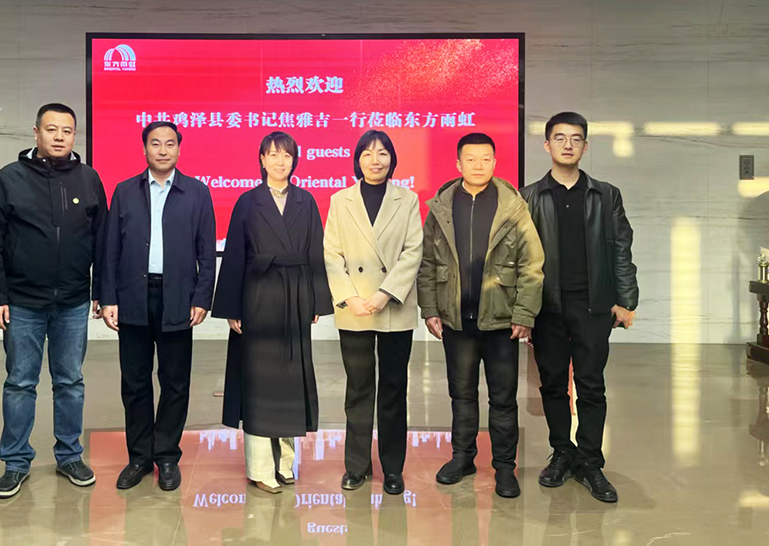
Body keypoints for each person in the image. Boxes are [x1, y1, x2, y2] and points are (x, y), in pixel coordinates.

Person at [0, 103, 108, 499]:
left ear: (74, 136)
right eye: (51, 129)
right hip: (22, 302)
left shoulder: (88, 179)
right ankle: (16, 462)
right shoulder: (9, 179)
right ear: (36, 133)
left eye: (66, 131)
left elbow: (103, 243)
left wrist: (101, 292)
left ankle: (70, 455)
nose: (59, 137)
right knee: (20, 383)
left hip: (72, 301)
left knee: (70, 382)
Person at [417, 132, 544, 499]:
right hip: (456, 319)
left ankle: (504, 467)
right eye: (470, 159)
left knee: (503, 398)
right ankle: (462, 458)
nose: (478, 165)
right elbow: (428, 263)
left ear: (495, 162)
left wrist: (524, 313)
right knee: (461, 395)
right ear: (458, 163)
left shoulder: (512, 207)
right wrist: (430, 308)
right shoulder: (442, 206)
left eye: (485, 159)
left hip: (502, 321)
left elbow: (532, 264)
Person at [520, 112, 638, 503]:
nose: (567, 145)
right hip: (547, 307)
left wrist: (626, 300)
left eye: (575, 139)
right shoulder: (528, 197)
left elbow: (621, 249)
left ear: (585, 146)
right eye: (560, 138)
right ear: (547, 145)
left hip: (594, 305)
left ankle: (589, 460)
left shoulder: (606, 195)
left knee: (591, 385)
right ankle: (562, 452)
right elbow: (518, 259)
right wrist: (522, 312)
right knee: (552, 384)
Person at [212, 131, 333, 494]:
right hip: (258, 296)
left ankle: (285, 463)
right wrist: (232, 306)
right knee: (260, 381)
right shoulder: (247, 201)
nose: (281, 162)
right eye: (273, 155)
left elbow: (315, 252)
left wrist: (316, 300)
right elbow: (235, 255)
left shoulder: (306, 201)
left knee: (290, 379)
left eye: (287, 155)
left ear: (295, 160)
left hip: (295, 296)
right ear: (262, 159)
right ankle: (261, 467)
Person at [100, 121, 216, 491]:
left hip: (178, 297)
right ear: (144, 149)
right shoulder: (125, 191)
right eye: (155, 143)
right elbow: (110, 250)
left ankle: (166, 456)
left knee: (175, 382)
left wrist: (202, 297)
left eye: (169, 144)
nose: (163, 150)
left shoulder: (197, 192)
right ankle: (138, 457)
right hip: (133, 295)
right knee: (135, 383)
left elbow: (206, 253)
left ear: (179, 149)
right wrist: (108, 298)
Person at [322, 130, 422, 495]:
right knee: (359, 389)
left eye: (382, 153)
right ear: (358, 160)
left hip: (393, 306)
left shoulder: (407, 199)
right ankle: (356, 466)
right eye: (367, 153)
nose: (375, 160)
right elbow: (331, 254)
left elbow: (413, 251)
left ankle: (393, 468)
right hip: (355, 309)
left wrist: (384, 294)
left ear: (392, 159)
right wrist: (350, 297)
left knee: (394, 389)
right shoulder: (340, 200)